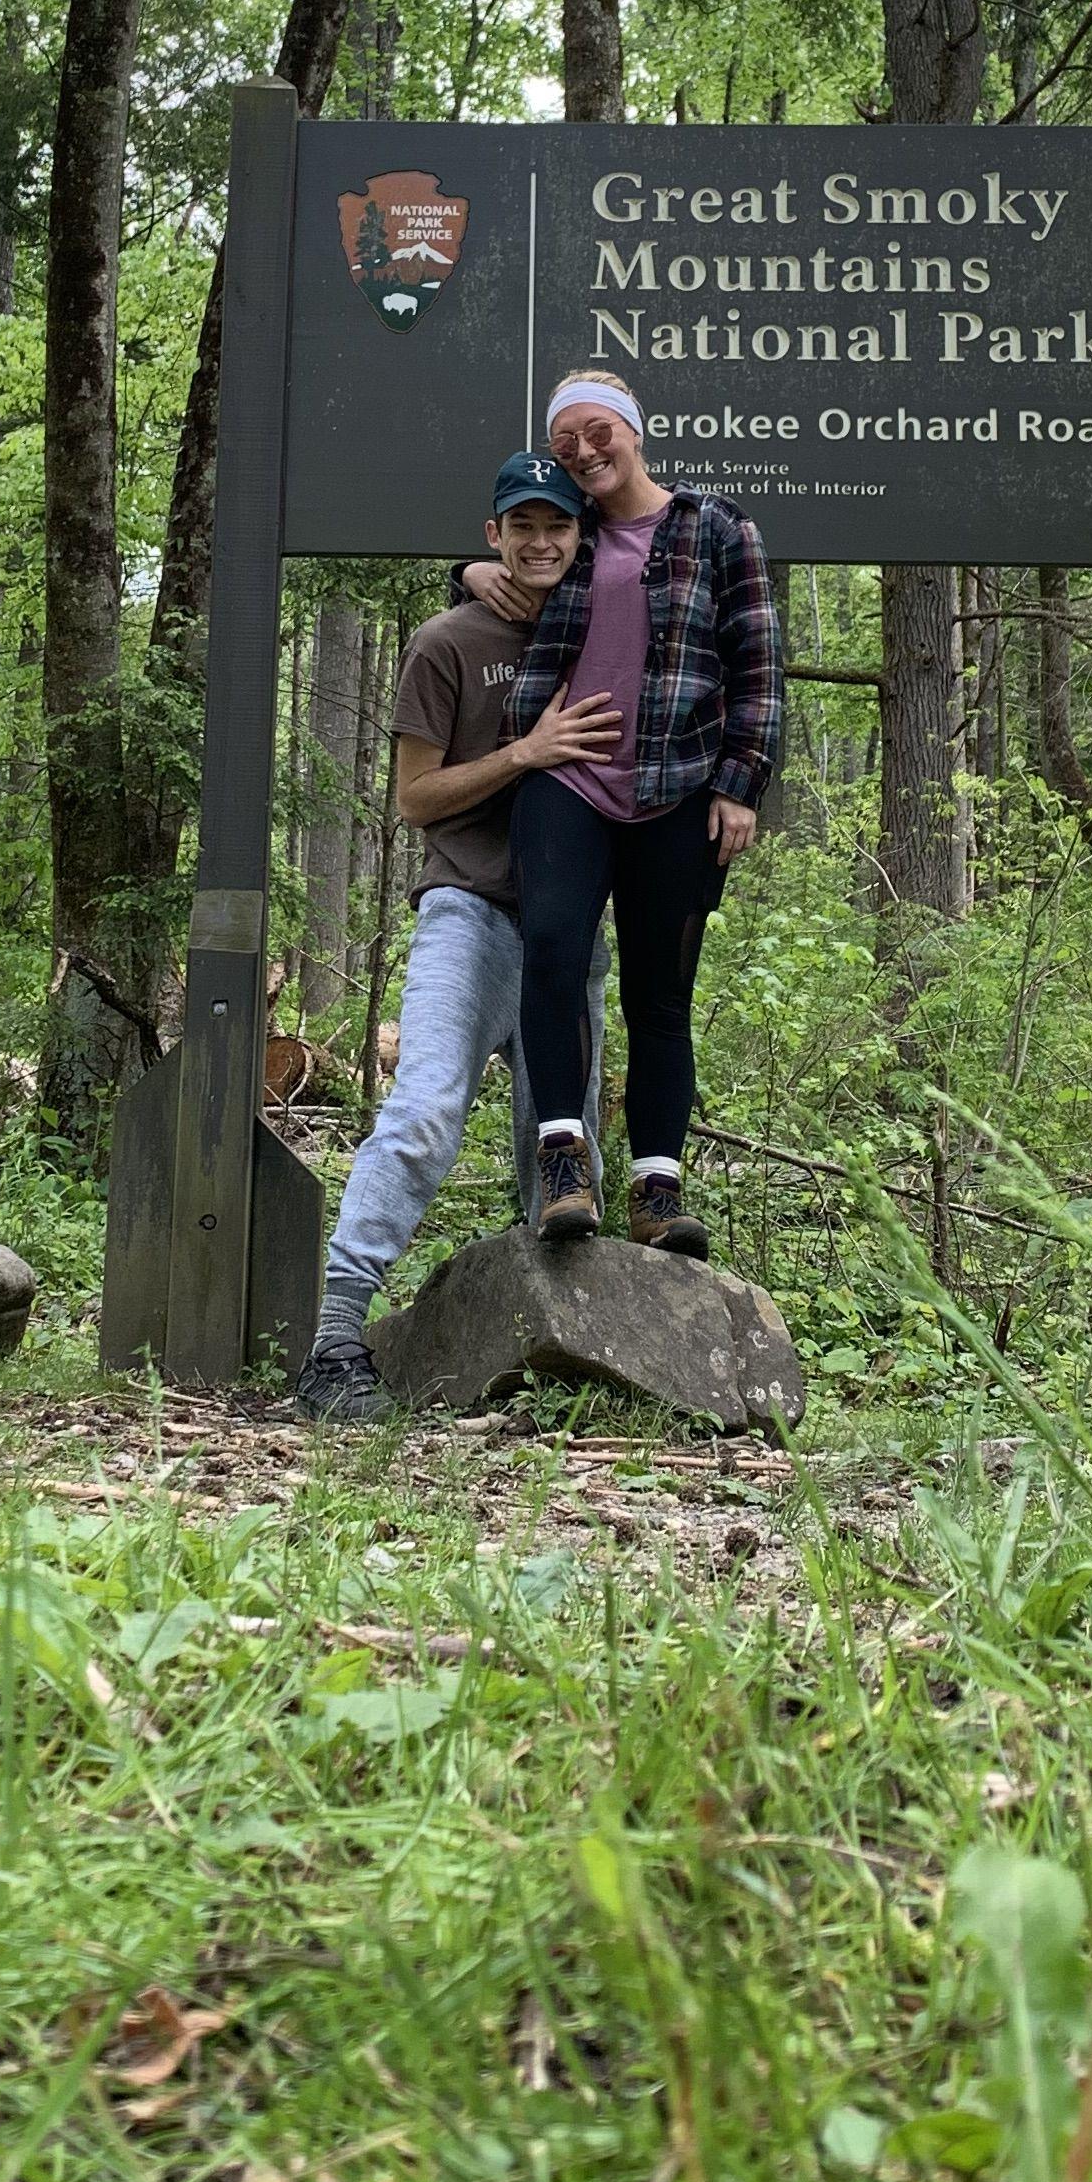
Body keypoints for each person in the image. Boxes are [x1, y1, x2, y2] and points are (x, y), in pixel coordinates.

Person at [288, 454, 620, 1427]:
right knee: (425, 1110)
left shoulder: (601, 630)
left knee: (559, 1159)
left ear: (577, 534)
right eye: (520, 526)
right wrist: (525, 752)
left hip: (571, 934)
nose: (539, 542)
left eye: (556, 525)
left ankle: (560, 1365)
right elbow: (414, 797)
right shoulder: (445, 644)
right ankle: (336, 1342)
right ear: (492, 536)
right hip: (467, 918)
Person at [482, 368, 779, 1251]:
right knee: (554, 950)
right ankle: (563, 1161)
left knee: (661, 996)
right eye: (565, 438)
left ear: (632, 429)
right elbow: (509, 560)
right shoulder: (565, 533)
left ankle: (658, 1190)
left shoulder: (716, 527)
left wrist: (741, 780)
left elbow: (757, 659)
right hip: (566, 780)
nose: (581, 449)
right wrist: (470, 570)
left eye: (595, 430)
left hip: (679, 789)